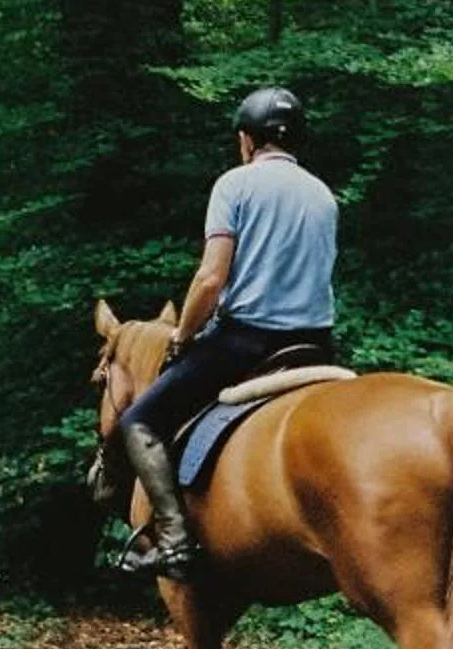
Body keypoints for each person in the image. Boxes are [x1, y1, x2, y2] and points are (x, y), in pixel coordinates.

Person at [111, 86, 341, 577]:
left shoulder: (234, 185)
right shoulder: (324, 195)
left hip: (247, 342)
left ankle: (173, 540)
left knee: (140, 422)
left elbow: (211, 278)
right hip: (316, 345)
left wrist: (182, 336)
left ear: (245, 140)